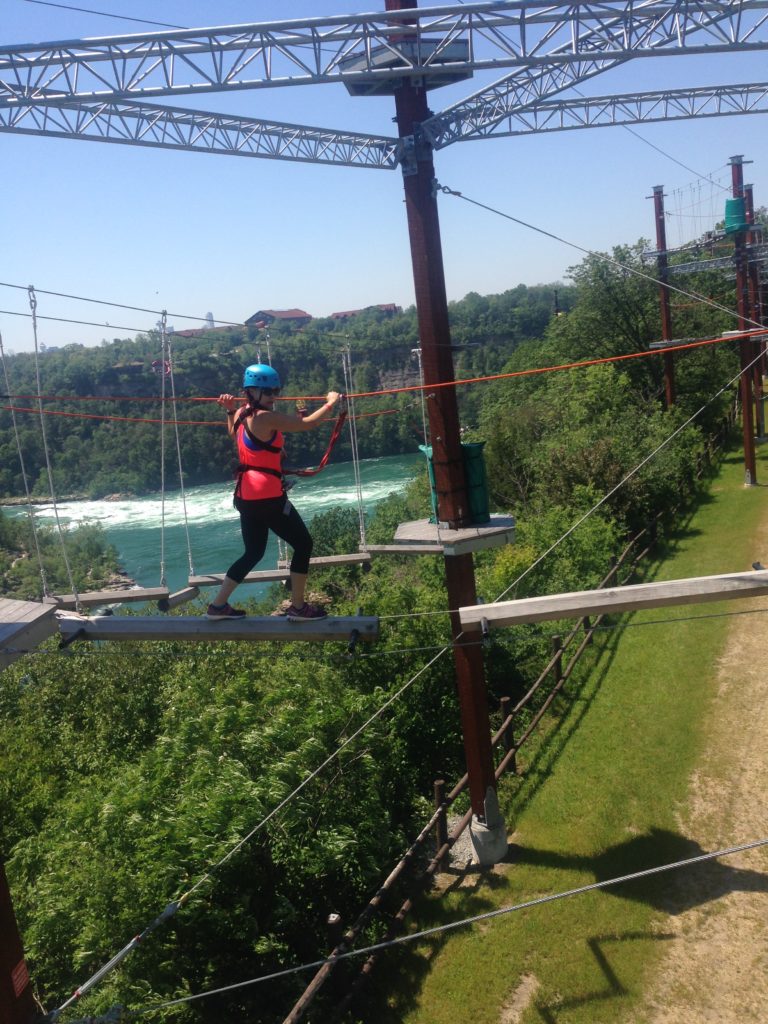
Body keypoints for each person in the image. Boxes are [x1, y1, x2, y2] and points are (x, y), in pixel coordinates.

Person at [207, 364, 340, 621]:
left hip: (246, 496)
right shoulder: (264, 417)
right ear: (252, 392)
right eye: (267, 391)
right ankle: (299, 608)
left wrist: (230, 410)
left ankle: (218, 606)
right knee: (303, 544)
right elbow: (308, 424)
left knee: (253, 552)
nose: (273, 396)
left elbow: (232, 431)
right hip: (267, 496)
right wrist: (331, 403)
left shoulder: (242, 414)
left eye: (275, 390)